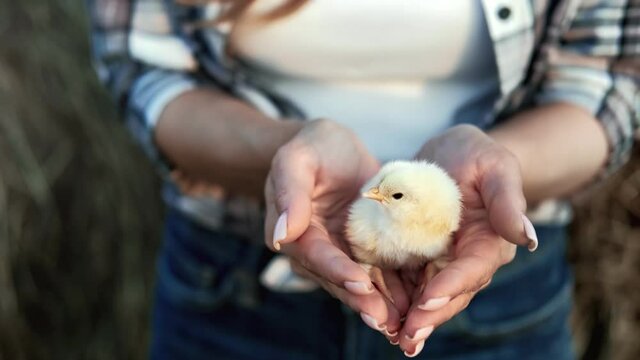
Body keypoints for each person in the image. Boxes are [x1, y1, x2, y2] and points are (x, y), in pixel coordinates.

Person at [86, 0, 639, 359]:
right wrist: (282, 152)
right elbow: (142, 68)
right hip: (232, 287)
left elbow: (607, 83)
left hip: (497, 291)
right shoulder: (374, 215)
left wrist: (498, 174)